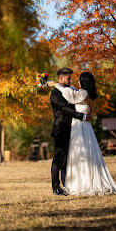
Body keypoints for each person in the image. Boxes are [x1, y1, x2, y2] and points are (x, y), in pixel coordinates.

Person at [51, 72, 116, 195]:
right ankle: (72, 182)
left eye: (79, 80)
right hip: (84, 126)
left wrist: (56, 84)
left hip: (79, 126)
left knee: (80, 154)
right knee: (83, 154)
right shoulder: (86, 93)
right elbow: (73, 92)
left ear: (84, 81)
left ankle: (82, 183)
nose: (76, 81)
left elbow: (70, 96)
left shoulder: (82, 93)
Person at [49, 67, 90, 196]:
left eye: (71, 77)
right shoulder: (55, 93)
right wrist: (82, 116)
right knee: (58, 159)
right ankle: (56, 187)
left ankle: (67, 185)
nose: (71, 80)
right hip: (61, 130)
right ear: (60, 78)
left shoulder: (69, 90)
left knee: (68, 160)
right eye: (68, 78)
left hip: (73, 129)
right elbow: (64, 109)